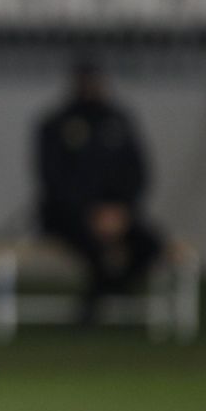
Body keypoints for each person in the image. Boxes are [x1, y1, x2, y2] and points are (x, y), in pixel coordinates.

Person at [35, 59, 165, 323]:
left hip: (118, 213)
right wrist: (89, 212)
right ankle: (94, 309)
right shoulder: (57, 124)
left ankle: (107, 296)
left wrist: (122, 209)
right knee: (94, 250)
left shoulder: (118, 121)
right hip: (69, 215)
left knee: (149, 245)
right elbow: (54, 178)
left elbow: (137, 171)